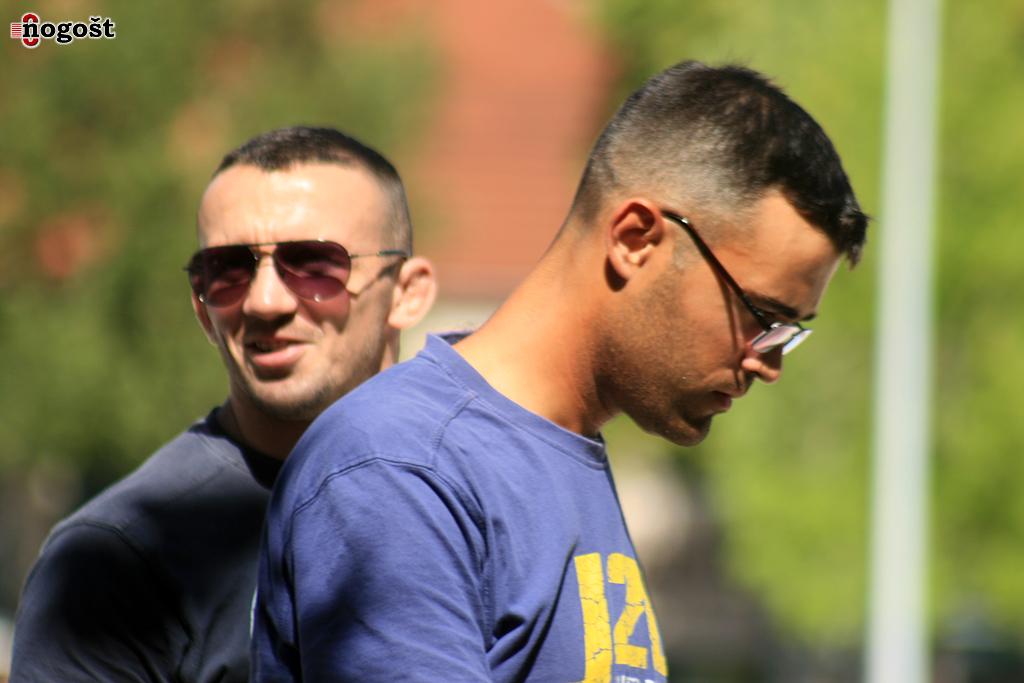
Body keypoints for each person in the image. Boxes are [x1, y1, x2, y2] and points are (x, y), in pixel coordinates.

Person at [253, 61, 868, 682]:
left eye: (788, 332)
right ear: (635, 239)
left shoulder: (558, 455)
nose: (768, 363)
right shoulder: (401, 467)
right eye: (763, 315)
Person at [10, 126, 437, 682]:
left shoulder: (484, 499)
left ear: (406, 292)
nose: (264, 301)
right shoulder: (117, 559)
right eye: (229, 271)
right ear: (201, 307)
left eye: (314, 265)